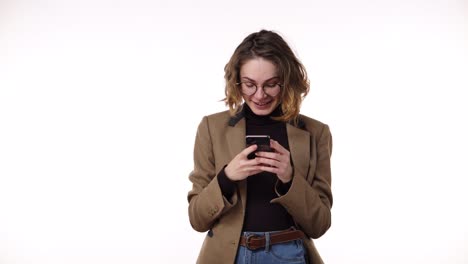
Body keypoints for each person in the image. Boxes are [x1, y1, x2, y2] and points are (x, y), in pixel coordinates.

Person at [187, 29, 333, 264]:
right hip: (228, 256)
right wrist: (226, 177)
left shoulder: (316, 133)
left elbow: (320, 224)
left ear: (286, 81)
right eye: (249, 84)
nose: (260, 95)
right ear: (237, 82)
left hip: (289, 254)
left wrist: (290, 178)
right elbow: (197, 219)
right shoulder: (211, 128)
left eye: (271, 84)